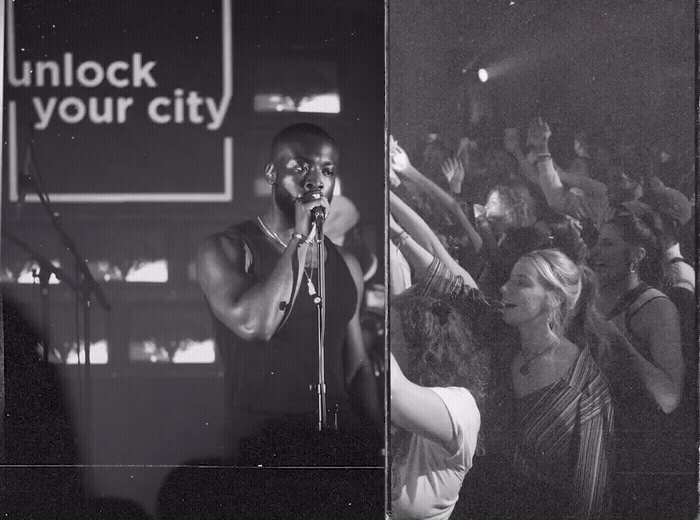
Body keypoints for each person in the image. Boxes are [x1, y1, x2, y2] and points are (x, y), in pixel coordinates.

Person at [392, 207, 614, 518]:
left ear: (553, 299)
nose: (504, 288)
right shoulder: (503, 332)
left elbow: (589, 495)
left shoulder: (586, 388)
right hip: (476, 502)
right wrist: (396, 233)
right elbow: (450, 286)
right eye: (509, 279)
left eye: (521, 282)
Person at [195, 123, 382, 465]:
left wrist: (376, 441)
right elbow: (256, 325)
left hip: (335, 445)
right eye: (301, 167)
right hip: (262, 446)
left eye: (327, 170)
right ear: (271, 172)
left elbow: (356, 366)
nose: (316, 180)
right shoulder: (226, 248)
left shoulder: (348, 265)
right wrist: (299, 240)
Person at [589, 211, 693, 519]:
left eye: (607, 244)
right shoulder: (593, 298)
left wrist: (620, 343)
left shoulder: (657, 308)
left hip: (634, 458)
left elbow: (670, 396)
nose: (596, 251)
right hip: (596, 447)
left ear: (636, 255)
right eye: (597, 242)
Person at [390, 291, 490, 520]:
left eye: (390, 333)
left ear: (421, 348)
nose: (380, 338)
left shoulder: (461, 406)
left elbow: (395, 393)